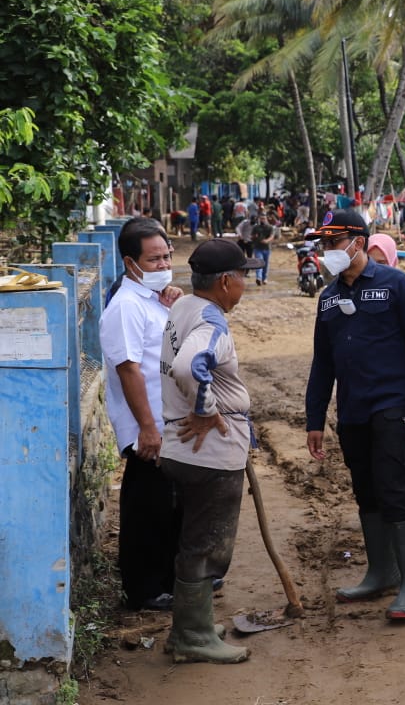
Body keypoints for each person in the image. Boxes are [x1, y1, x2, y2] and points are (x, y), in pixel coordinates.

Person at [305, 210, 405, 621]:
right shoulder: (328, 297)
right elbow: (322, 363)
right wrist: (314, 419)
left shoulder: (398, 286)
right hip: (353, 409)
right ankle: (380, 572)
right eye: (325, 243)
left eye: (334, 242)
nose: (328, 251)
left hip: (392, 405)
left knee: (395, 487)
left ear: (358, 242)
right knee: (366, 489)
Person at [158, 238, 264, 663]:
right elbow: (189, 366)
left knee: (193, 541)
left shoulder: (183, 307)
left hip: (180, 450)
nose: (246, 284)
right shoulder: (212, 323)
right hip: (210, 451)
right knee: (208, 547)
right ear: (224, 281)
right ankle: (193, 637)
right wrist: (206, 409)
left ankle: (191, 626)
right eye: (243, 277)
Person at [100, 217, 184, 611]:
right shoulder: (124, 307)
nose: (164, 265)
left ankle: (167, 580)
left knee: (167, 506)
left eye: (167, 256)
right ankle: (144, 589)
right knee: (146, 510)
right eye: (154, 260)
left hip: (166, 424)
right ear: (130, 263)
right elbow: (129, 368)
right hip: (147, 428)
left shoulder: (151, 300)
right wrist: (147, 427)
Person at [250, 214, 273, 285]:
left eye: (264, 219)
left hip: (266, 248)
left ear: (266, 219)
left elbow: (271, 236)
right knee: (259, 263)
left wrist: (267, 241)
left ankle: (264, 278)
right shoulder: (256, 227)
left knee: (265, 264)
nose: (262, 220)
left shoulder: (269, 227)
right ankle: (258, 278)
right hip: (257, 248)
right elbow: (251, 236)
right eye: (261, 219)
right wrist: (254, 236)